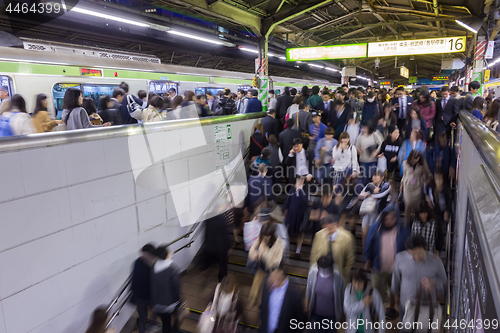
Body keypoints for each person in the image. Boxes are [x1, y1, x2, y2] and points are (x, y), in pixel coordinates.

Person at [364, 204, 411, 320]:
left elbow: (407, 249)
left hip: (395, 269)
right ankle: (374, 314)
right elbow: (368, 245)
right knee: (377, 292)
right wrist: (367, 260)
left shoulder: (402, 231)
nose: (389, 220)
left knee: (393, 290)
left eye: (392, 217)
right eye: (387, 217)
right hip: (378, 267)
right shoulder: (375, 228)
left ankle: (390, 307)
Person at [392, 234, 447, 319]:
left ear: (424, 248)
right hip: (406, 303)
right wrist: (395, 294)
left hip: (426, 305)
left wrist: (434, 283)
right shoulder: (399, 258)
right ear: (408, 250)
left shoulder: (436, 261)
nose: (416, 256)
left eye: (419, 253)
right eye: (413, 253)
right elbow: (395, 278)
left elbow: (445, 283)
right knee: (405, 327)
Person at [248, 223, 285, 308]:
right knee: (255, 292)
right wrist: (254, 254)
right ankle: (257, 305)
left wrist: (264, 252)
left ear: (272, 235)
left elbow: (275, 262)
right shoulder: (261, 240)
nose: (265, 239)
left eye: (267, 236)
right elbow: (252, 250)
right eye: (264, 236)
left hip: (272, 273)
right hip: (261, 270)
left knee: (267, 294)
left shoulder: (279, 244)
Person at [259, 265, 305, 333]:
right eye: (272, 275)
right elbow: (263, 307)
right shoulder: (267, 284)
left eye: (275, 275)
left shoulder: (294, 293)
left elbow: (300, 320)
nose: (272, 278)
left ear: (283, 275)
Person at [305, 255, 345, 333]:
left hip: (332, 317)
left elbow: (342, 297)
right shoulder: (312, 275)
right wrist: (307, 307)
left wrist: (342, 314)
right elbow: (308, 291)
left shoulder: (339, 279)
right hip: (316, 315)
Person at [310, 214, 355, 282]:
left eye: (329, 228)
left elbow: (350, 259)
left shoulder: (347, 238)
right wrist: (314, 272)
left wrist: (344, 274)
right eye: (325, 229)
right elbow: (313, 255)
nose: (327, 231)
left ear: (335, 224)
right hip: (321, 275)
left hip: (339, 276)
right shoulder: (319, 235)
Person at [344, 269, 385, 333]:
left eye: (360, 282)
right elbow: (347, 309)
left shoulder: (373, 293)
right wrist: (363, 303)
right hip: (352, 330)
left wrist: (381, 331)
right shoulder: (348, 290)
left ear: (365, 282)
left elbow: (381, 314)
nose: (357, 285)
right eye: (354, 282)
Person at [150, 245, 181, 333]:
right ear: (167, 255)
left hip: (156, 304)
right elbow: (176, 288)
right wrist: (179, 302)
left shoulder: (153, 268)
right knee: (179, 316)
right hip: (169, 304)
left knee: (165, 323)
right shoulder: (171, 270)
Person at [358, 170, 391, 245]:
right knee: (364, 233)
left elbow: (381, 195)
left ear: (382, 177)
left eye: (377, 176)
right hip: (368, 211)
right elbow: (361, 195)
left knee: (375, 234)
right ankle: (365, 252)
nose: (374, 177)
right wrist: (370, 192)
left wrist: (369, 195)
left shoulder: (386, 185)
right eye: (373, 175)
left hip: (378, 212)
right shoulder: (370, 185)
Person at [131, 244, 157, 333]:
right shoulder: (150, 265)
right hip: (146, 296)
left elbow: (134, 279)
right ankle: (150, 328)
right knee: (155, 311)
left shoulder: (137, 262)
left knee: (143, 317)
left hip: (140, 296)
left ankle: (146, 329)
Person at [401, 150, 432, 222]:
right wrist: (401, 184)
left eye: (417, 159)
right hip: (408, 187)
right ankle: (406, 222)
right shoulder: (405, 163)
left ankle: (415, 223)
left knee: (416, 207)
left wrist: (427, 178)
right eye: (414, 159)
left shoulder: (423, 163)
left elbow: (429, 174)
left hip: (417, 187)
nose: (415, 161)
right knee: (408, 205)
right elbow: (404, 175)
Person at [198, 214, 230, 282]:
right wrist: (228, 247)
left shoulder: (208, 218)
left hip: (211, 245)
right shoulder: (222, 219)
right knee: (223, 266)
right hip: (221, 247)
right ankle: (222, 281)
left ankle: (205, 265)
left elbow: (206, 232)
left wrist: (206, 243)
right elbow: (225, 235)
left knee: (213, 259)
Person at [284, 176, 309, 258]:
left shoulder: (305, 188)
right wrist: (285, 213)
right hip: (291, 213)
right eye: (298, 178)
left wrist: (300, 191)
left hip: (300, 214)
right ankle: (285, 250)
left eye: (301, 178)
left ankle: (298, 251)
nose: (299, 180)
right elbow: (288, 200)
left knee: (300, 232)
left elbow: (305, 202)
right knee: (287, 231)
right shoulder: (292, 187)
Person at [331, 132, 360, 197]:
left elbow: (354, 160)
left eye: (346, 138)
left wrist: (354, 170)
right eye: (343, 139)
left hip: (347, 171)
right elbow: (335, 157)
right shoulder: (336, 147)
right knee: (336, 188)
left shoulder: (352, 147)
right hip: (337, 170)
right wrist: (340, 149)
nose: (345, 140)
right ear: (340, 139)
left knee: (344, 189)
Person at [379, 125, 402, 192]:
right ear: (390, 134)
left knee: (391, 180)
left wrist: (397, 158)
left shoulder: (400, 143)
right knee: (384, 180)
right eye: (395, 133)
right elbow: (381, 152)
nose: (397, 135)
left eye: (398, 133)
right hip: (385, 166)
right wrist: (380, 155)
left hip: (395, 166)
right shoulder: (385, 143)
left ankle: (391, 194)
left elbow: (402, 154)